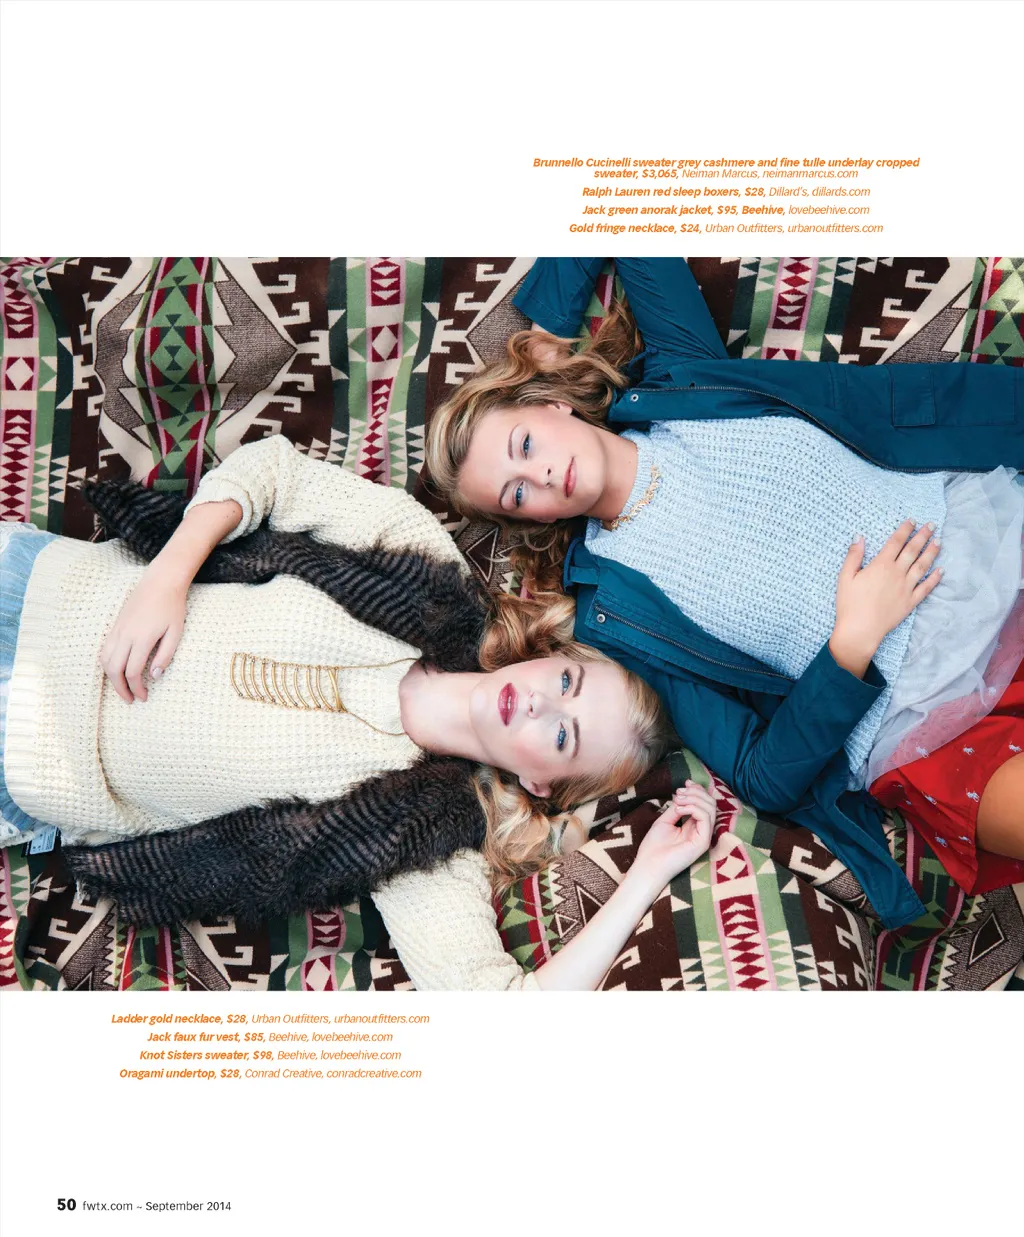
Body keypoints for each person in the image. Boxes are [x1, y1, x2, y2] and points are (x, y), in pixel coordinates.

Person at [425, 256, 1024, 929]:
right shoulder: (613, 615)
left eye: (525, 443)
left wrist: (546, 326)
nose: (538, 475)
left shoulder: (685, 377)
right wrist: (851, 643)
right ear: (528, 520)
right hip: (921, 720)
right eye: (515, 493)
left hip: (989, 553)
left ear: (549, 404)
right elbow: (763, 774)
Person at [0, 434, 714, 991]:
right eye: (565, 679)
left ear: (540, 783)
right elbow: (275, 472)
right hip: (36, 592)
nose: (539, 700)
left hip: (25, 763)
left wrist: (649, 873)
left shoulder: (422, 847)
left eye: (562, 733)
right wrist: (168, 573)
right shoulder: (424, 565)